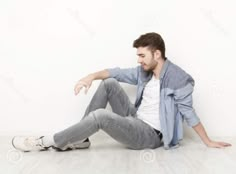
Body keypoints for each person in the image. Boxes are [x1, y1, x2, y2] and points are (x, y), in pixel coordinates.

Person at [12, 32, 231, 152]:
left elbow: (189, 113)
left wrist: (209, 141)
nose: (139, 60)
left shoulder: (178, 79)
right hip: (135, 120)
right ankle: (81, 139)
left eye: (142, 56)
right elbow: (114, 73)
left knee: (100, 116)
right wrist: (89, 77)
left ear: (157, 55)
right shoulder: (144, 72)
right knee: (108, 83)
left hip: (150, 135)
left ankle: (49, 141)